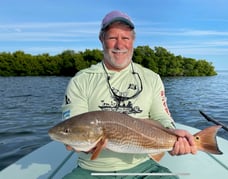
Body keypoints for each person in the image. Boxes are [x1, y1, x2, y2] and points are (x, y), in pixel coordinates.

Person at [61, 10, 197, 179]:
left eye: (125, 38)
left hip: (143, 167)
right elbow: (74, 127)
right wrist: (76, 142)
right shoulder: (81, 81)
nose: (119, 45)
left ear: (133, 40)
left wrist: (174, 136)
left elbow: (161, 117)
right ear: (101, 39)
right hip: (92, 169)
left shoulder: (151, 78)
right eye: (112, 38)